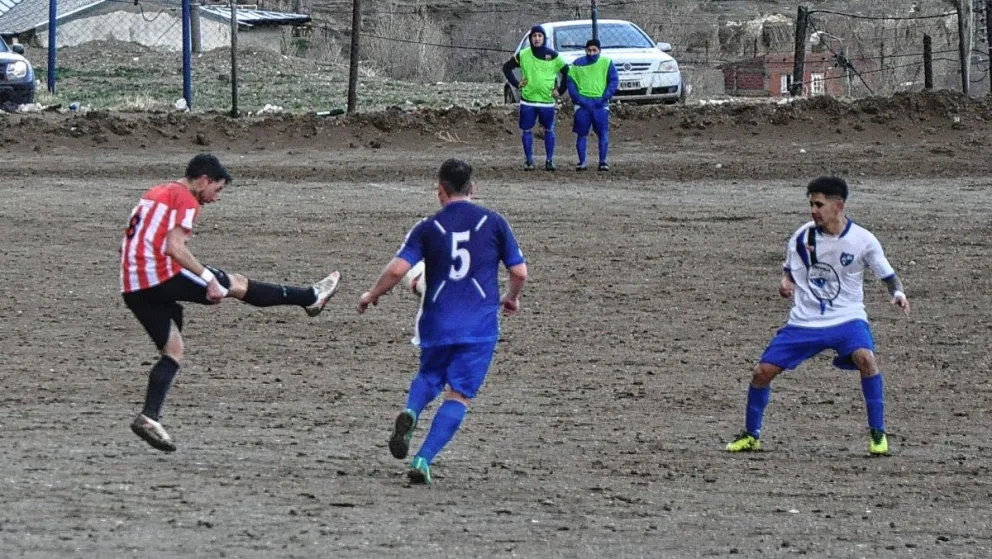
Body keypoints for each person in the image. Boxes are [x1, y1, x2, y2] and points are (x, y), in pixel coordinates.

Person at [120, 154, 341, 453]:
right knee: (234, 284)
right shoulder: (187, 199)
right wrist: (207, 278)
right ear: (204, 180)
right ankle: (310, 298)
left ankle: (149, 417)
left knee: (173, 350)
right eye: (218, 190)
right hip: (158, 275)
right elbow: (174, 248)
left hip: (132, 284)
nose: (216, 198)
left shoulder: (156, 192)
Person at [357, 159, 528, 485]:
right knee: (458, 394)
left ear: (440, 191)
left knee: (430, 374)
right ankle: (423, 459)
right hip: (479, 327)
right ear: (472, 189)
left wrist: (372, 294)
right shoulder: (495, 223)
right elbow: (519, 272)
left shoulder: (427, 227)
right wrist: (512, 297)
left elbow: (397, 270)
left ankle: (411, 411)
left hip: (436, 320)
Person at [726, 176, 910, 456]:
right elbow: (790, 268)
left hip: (847, 319)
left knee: (866, 359)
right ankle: (752, 435)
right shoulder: (802, 236)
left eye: (819, 204)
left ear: (838, 205)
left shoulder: (863, 240)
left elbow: (888, 275)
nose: (813, 210)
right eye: (811, 204)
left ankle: (878, 435)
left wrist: (897, 293)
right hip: (805, 322)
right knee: (761, 373)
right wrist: (786, 282)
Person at [502, 25, 569, 171]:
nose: (537, 38)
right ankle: (529, 160)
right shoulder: (523, 54)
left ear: (544, 38)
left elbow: (566, 72)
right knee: (527, 130)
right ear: (530, 38)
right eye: (534, 36)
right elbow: (506, 67)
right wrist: (516, 83)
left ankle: (549, 160)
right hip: (528, 101)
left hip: (546, 102)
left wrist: (561, 90)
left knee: (549, 130)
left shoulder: (553, 55)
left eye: (540, 36)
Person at [566, 39, 618, 172]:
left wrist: (605, 97)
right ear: (585, 50)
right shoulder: (577, 64)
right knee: (581, 134)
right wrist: (578, 98)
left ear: (599, 50)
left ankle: (603, 162)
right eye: (589, 50)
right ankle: (582, 162)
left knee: (602, 133)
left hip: (600, 104)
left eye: (594, 50)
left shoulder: (606, 63)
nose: (591, 53)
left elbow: (613, 80)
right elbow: (570, 82)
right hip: (582, 105)